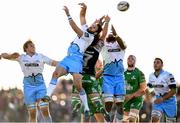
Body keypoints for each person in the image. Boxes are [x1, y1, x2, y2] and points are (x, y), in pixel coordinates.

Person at [42, 3, 103, 120]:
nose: (92, 26)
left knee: (78, 86)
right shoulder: (86, 28)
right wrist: (85, 9)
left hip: (76, 60)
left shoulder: (89, 37)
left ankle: (86, 108)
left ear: (95, 32)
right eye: (92, 25)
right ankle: (47, 96)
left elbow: (75, 28)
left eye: (94, 27)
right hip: (68, 58)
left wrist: (68, 14)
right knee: (55, 74)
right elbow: (82, 16)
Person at [1, 40, 57, 122]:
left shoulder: (40, 56)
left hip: (40, 85)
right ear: (26, 48)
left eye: (34, 45)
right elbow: (7, 56)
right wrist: (2, 55)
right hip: (28, 86)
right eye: (31, 45)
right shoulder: (21, 57)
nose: (33, 47)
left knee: (44, 108)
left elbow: (53, 62)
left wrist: (65, 64)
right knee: (32, 113)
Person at [71, 15, 110, 122]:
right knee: (96, 101)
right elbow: (102, 35)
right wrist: (106, 23)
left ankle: (75, 105)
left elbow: (88, 31)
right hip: (91, 77)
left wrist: (98, 24)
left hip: (79, 76)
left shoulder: (83, 43)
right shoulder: (97, 47)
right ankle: (102, 109)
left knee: (76, 98)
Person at [101, 25, 127, 121]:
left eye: (113, 34)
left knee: (120, 104)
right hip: (108, 77)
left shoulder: (120, 44)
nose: (111, 34)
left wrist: (116, 34)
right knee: (108, 103)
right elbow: (100, 37)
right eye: (109, 33)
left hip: (119, 77)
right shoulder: (104, 45)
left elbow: (123, 45)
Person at [147, 58, 177, 123]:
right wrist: (148, 94)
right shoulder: (151, 76)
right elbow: (150, 88)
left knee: (170, 121)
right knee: (154, 119)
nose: (155, 64)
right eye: (154, 62)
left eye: (157, 62)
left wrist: (162, 98)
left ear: (162, 65)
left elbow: (174, 91)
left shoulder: (168, 75)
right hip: (158, 101)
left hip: (170, 101)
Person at [123, 55, 147, 123]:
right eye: (129, 58)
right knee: (125, 121)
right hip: (126, 99)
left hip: (136, 99)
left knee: (131, 119)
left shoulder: (139, 73)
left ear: (135, 61)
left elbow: (143, 88)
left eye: (132, 59)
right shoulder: (122, 73)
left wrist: (131, 96)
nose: (130, 59)